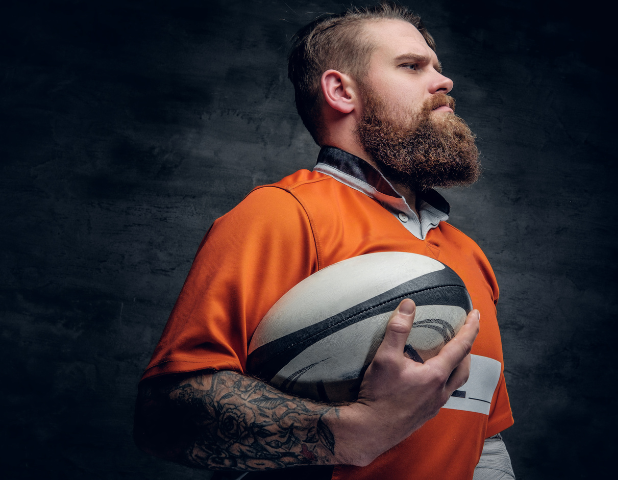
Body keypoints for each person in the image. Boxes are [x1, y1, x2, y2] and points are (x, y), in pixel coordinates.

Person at [134, 3, 515, 479]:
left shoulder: (468, 255)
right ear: (340, 90)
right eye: (412, 66)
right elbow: (166, 417)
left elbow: (482, 437)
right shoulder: (281, 214)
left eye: (437, 67)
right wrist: (355, 430)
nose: (444, 81)